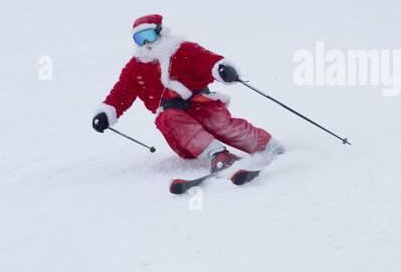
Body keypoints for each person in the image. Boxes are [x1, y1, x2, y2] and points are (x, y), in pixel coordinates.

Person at [91, 14, 282, 172]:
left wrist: (221, 68)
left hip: (201, 103)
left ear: (160, 31)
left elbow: (208, 61)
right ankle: (218, 154)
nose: (147, 42)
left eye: (149, 35)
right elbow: (121, 93)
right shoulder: (136, 67)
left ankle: (269, 147)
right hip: (179, 130)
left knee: (219, 123)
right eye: (140, 39)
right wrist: (106, 113)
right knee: (169, 117)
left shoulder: (184, 50)